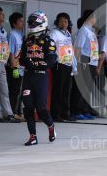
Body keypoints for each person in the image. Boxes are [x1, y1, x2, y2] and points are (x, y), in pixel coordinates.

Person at [20, 11, 57, 146]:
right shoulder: (27, 40)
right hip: (28, 77)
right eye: (30, 22)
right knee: (28, 108)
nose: (30, 25)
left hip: (41, 77)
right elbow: (22, 59)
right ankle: (33, 137)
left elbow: (52, 60)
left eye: (33, 22)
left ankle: (51, 126)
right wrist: (31, 63)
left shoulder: (49, 41)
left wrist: (37, 64)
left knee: (41, 109)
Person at [73, 10, 99, 120]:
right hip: (83, 63)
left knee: (87, 89)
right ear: (91, 18)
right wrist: (75, 65)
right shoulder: (83, 30)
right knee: (80, 89)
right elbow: (78, 48)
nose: (95, 20)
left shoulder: (91, 32)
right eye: (95, 17)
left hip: (92, 63)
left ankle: (85, 110)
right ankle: (76, 111)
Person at [49, 13, 75, 122]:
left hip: (68, 64)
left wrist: (74, 66)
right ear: (57, 22)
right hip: (59, 64)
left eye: (66, 21)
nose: (64, 23)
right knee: (58, 90)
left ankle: (65, 113)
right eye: (61, 21)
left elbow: (71, 50)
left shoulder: (68, 34)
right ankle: (55, 114)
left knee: (66, 91)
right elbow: (51, 48)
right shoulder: (54, 33)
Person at [6, 12, 25, 121]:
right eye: (20, 21)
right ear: (14, 23)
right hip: (14, 68)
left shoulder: (21, 34)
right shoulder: (12, 34)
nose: (22, 23)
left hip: (21, 67)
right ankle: (12, 113)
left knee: (19, 91)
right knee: (14, 91)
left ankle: (18, 112)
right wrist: (14, 67)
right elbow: (11, 52)